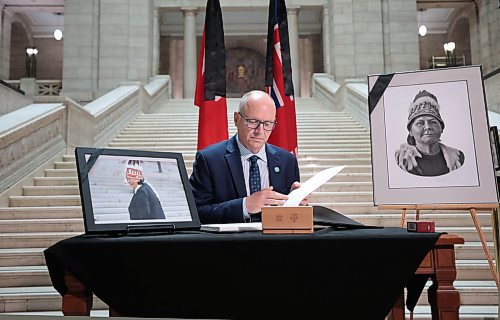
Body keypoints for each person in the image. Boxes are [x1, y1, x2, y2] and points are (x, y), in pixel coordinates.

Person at [189, 90, 307, 224]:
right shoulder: (209, 159)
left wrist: (295, 201)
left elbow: (290, 220)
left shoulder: (287, 161)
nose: (260, 131)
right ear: (236, 119)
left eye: (267, 124)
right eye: (252, 121)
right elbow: (196, 212)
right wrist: (245, 206)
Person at [395, 90, 464, 176]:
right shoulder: (402, 160)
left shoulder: (457, 158)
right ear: (411, 131)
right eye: (420, 123)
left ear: (441, 128)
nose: (428, 127)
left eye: (433, 122)